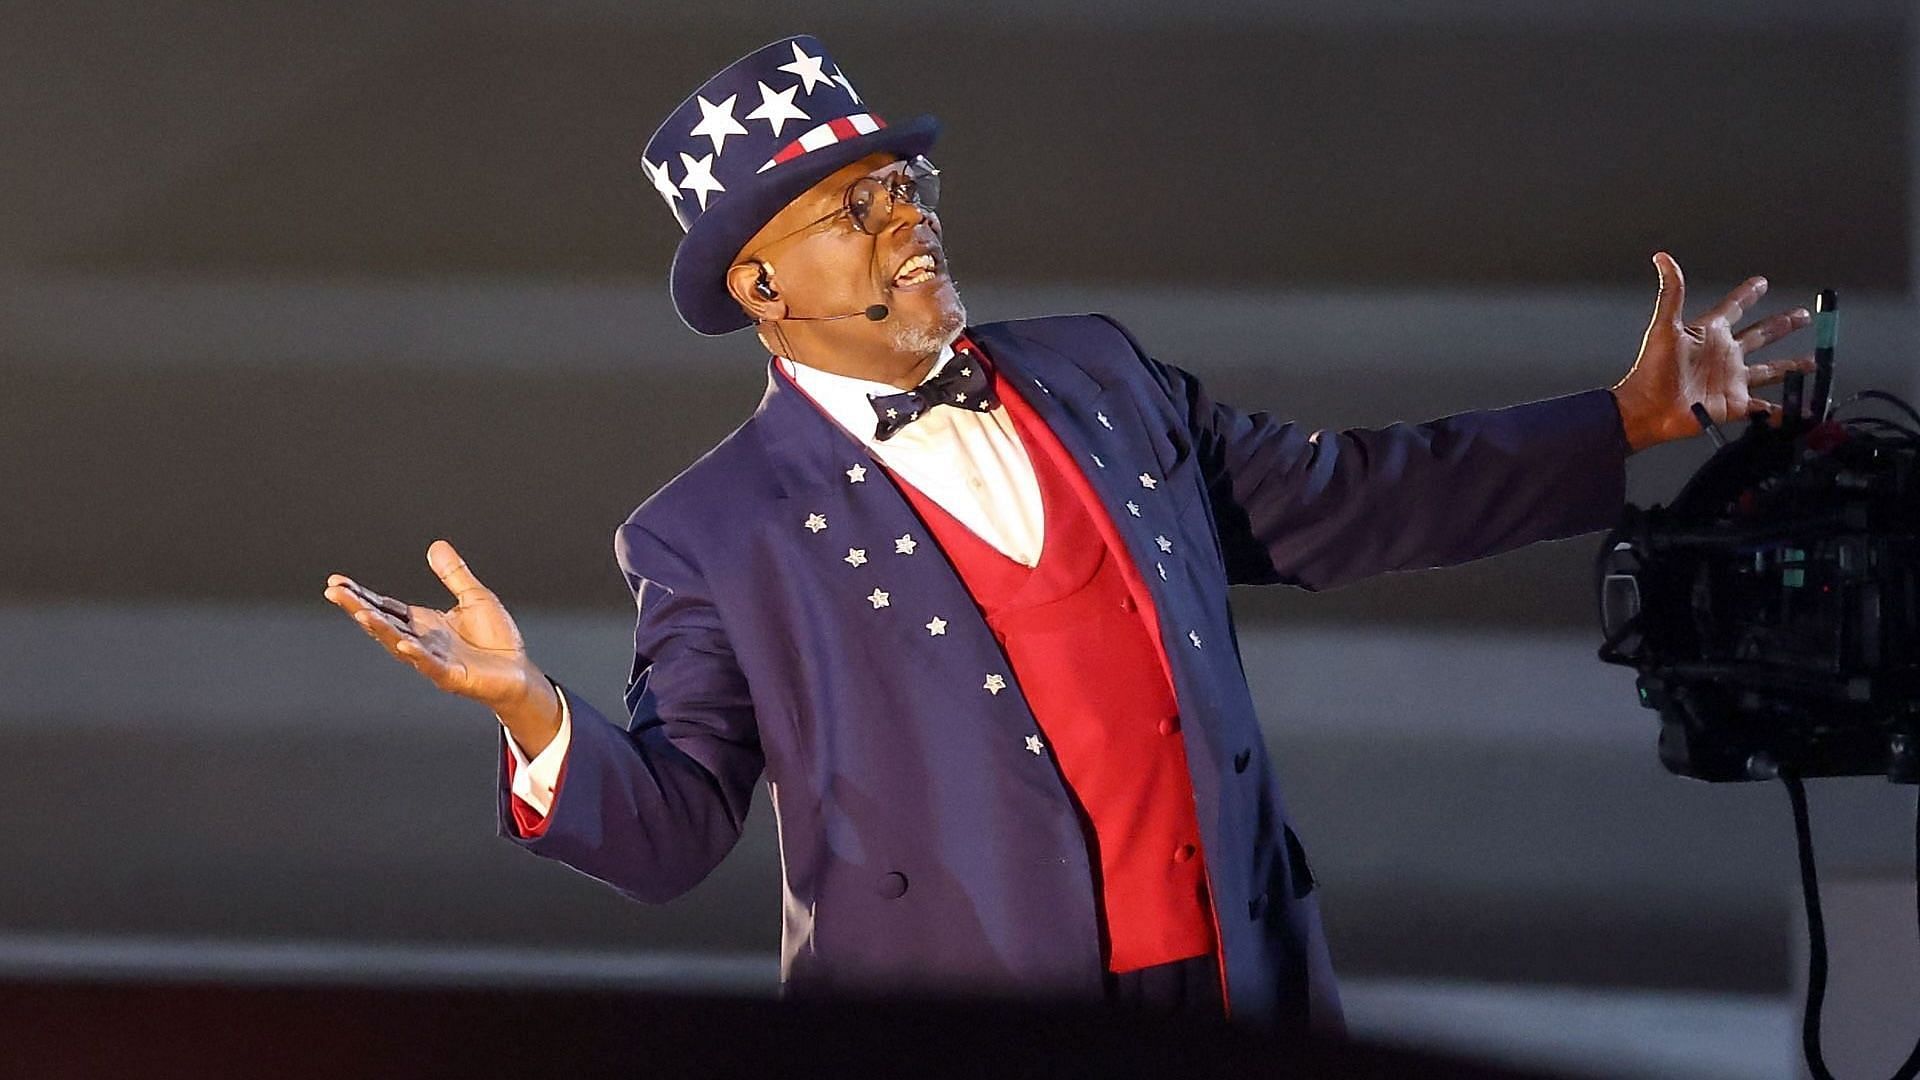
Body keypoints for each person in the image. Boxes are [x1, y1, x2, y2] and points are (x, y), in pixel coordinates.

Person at [322, 35, 1816, 1034]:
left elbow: (1350, 498)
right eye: (849, 210)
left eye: (903, 183)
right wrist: (531, 713)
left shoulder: (1099, 375)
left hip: (1239, 982)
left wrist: (1617, 421)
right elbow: (674, 835)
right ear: (762, 289)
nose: (905, 219)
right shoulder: (716, 533)